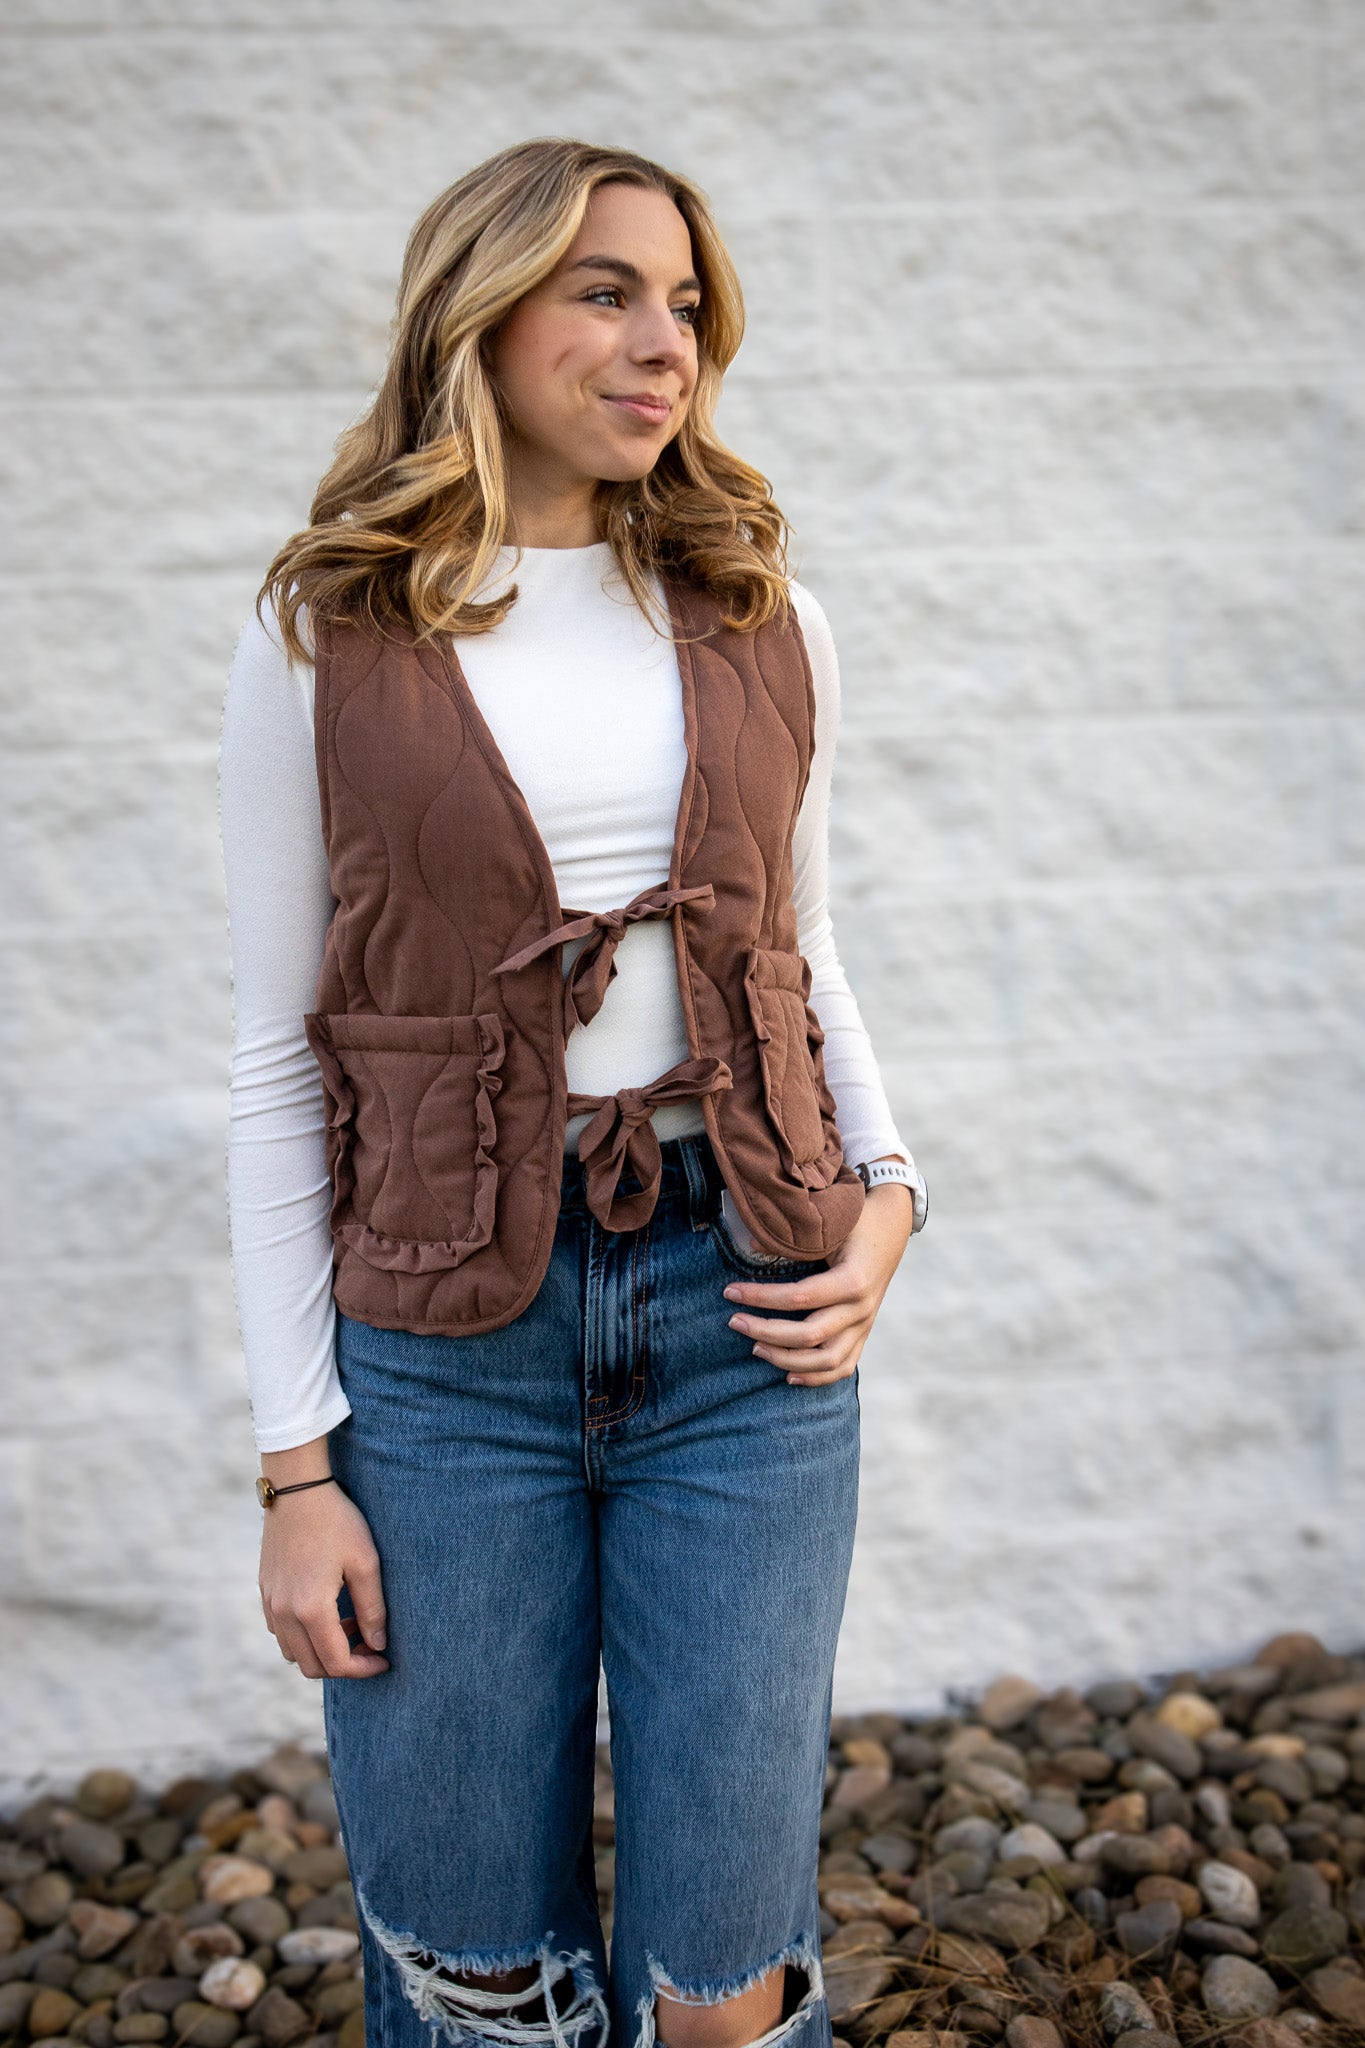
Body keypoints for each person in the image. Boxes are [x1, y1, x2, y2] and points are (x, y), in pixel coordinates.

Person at [218, 137, 927, 2048]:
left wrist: (896, 1195)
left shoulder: (765, 614)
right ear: (483, 308)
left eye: (686, 304)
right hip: (449, 1352)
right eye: (607, 290)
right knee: (470, 1973)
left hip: (749, 1327)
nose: (661, 341)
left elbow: (802, 946)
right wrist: (299, 1468)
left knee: (721, 1975)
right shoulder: (326, 637)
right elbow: (278, 1065)